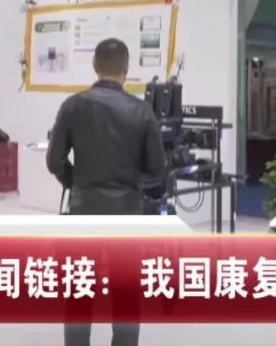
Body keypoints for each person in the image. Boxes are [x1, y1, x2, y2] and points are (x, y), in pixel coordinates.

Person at [46, 38, 166, 346]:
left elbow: (54, 160)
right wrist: (132, 182)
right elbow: (157, 168)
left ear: (94, 66)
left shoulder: (72, 106)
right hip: (127, 213)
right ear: (126, 69)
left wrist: (75, 181)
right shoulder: (142, 111)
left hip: (83, 209)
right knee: (126, 294)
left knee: (79, 291)